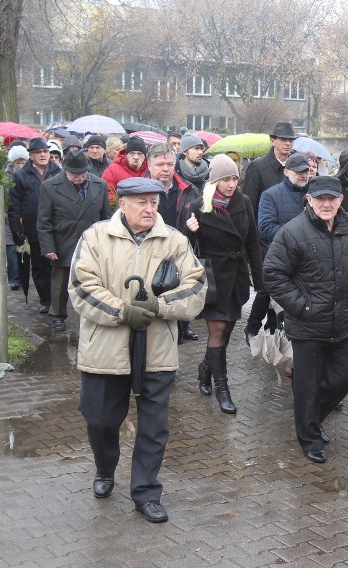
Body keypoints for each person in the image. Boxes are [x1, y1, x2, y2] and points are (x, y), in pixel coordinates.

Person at [69, 176, 206, 523]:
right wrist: (122, 311)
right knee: (100, 420)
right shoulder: (96, 237)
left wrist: (160, 308)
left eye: (154, 202)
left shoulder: (174, 240)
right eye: (141, 202)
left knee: (154, 426)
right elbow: (82, 287)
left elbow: (197, 287)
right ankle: (105, 467)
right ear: (122, 203)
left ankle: (145, 492)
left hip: (157, 349)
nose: (149, 209)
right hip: (105, 350)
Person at [262, 176, 348, 463]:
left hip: (345, 320)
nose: (326, 204)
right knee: (307, 385)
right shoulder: (292, 232)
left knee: (344, 376)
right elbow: (273, 274)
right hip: (309, 324)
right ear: (309, 200)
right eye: (320, 198)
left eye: (332, 198)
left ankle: (311, 419)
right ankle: (309, 437)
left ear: (341, 200)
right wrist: (302, 306)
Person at [184, 155, 262, 414]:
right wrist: (189, 231)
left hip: (237, 277)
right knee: (217, 331)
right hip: (214, 279)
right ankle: (223, 389)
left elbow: (252, 242)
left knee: (227, 329)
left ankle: (205, 369)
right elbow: (183, 248)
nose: (231, 184)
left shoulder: (245, 202)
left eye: (234, 179)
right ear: (214, 181)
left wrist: (259, 281)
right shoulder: (199, 206)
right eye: (225, 179)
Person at [37, 150, 112, 332]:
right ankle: (57, 316)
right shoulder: (50, 186)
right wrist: (48, 247)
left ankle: (94, 313)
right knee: (60, 283)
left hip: (91, 243)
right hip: (64, 241)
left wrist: (108, 243)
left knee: (94, 280)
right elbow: (43, 221)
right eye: (74, 174)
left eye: (82, 173)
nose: (79, 177)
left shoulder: (99, 185)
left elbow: (106, 218)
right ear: (65, 171)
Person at [241, 122, 297, 344]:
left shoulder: (296, 164)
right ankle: (253, 326)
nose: (287, 143)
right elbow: (249, 205)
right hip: (265, 238)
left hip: (291, 239)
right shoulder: (259, 167)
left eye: (291, 140)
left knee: (284, 286)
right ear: (273, 140)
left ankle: (274, 326)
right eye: (283, 139)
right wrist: (252, 243)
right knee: (267, 286)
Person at [146, 142, 202, 344]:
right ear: (149, 166)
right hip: (151, 249)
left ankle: (183, 326)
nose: (165, 169)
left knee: (181, 287)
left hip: (181, 247)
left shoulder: (189, 189)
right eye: (160, 164)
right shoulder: (139, 190)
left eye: (169, 164)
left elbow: (199, 216)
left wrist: (194, 227)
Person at [8, 137, 61, 313]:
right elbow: (14, 205)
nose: (43, 155)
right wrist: (16, 228)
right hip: (34, 227)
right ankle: (45, 299)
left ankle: (57, 299)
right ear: (31, 156)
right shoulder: (21, 175)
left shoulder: (58, 172)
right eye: (39, 152)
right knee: (39, 266)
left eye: (45, 151)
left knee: (57, 265)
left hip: (56, 227)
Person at [5, 145, 29, 291]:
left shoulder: (27, 176)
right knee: (11, 248)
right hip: (8, 217)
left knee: (25, 249)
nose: (20, 165)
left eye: (23, 162)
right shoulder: (6, 177)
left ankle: (23, 276)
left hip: (24, 217)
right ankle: (14, 278)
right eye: (17, 162)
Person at [102, 137, 149, 203]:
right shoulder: (112, 170)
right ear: (126, 154)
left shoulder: (151, 169)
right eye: (132, 153)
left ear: (145, 156)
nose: (136, 157)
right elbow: (107, 195)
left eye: (139, 154)